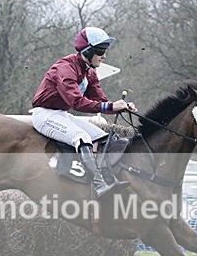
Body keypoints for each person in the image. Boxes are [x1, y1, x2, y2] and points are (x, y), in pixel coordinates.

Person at [31, 27, 136, 198]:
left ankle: (108, 176)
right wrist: (110, 107)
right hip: (44, 115)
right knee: (82, 137)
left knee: (102, 136)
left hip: (61, 114)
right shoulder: (65, 68)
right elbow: (77, 103)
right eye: (101, 51)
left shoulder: (90, 73)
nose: (105, 56)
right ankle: (99, 184)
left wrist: (121, 105)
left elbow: (102, 102)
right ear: (88, 50)